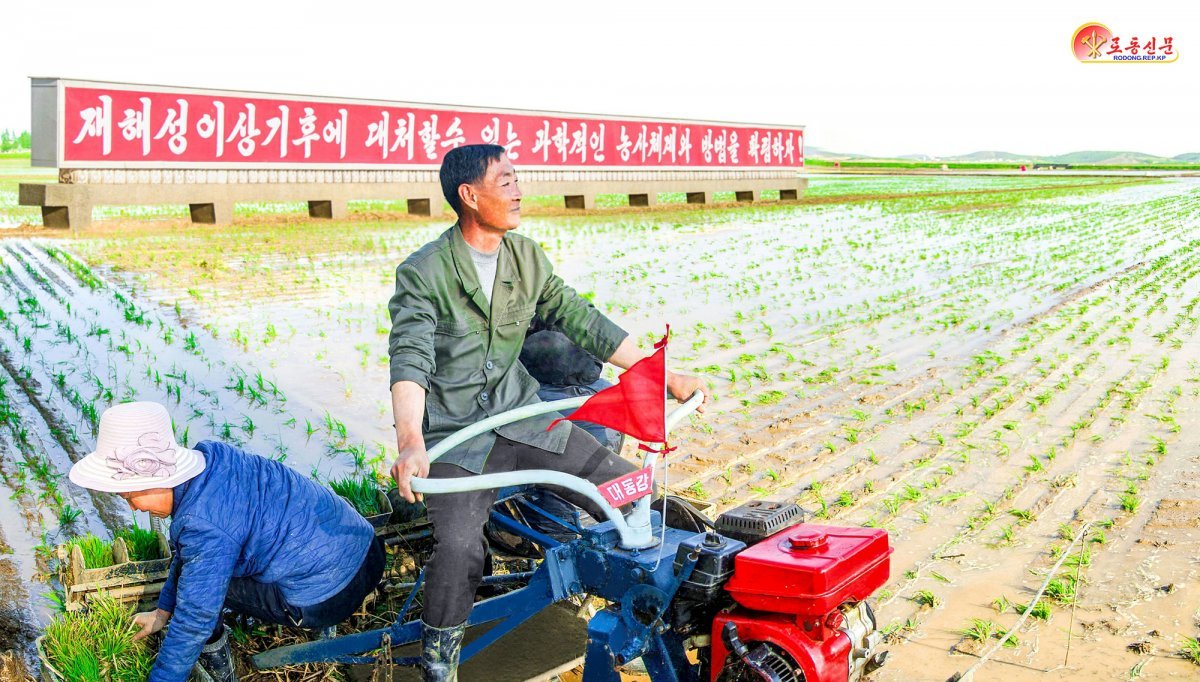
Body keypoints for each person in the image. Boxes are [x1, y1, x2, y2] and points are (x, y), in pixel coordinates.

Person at [386, 144, 708, 681]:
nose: (517, 190)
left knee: (626, 486)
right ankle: (440, 663)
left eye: (517, 179)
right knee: (460, 548)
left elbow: (583, 321)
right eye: (505, 180)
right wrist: (411, 442)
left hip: (523, 416)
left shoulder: (526, 258)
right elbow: (410, 359)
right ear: (470, 196)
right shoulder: (424, 273)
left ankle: (637, 609)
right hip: (457, 438)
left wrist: (663, 374)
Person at [67, 401, 384, 682]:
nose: (134, 507)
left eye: (132, 497)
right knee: (203, 574)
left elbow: (194, 619)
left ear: (158, 479)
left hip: (331, 596)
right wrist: (161, 613)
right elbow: (192, 551)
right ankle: (320, 624)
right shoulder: (213, 460)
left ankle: (223, 671)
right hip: (368, 551)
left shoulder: (203, 524)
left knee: (202, 595)